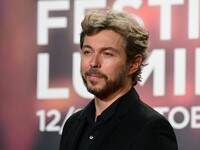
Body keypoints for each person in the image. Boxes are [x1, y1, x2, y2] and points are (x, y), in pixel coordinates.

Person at [59, 9, 178, 150]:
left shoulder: (150, 128)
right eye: (87, 52)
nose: (93, 62)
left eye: (107, 54)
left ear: (133, 64)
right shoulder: (72, 124)